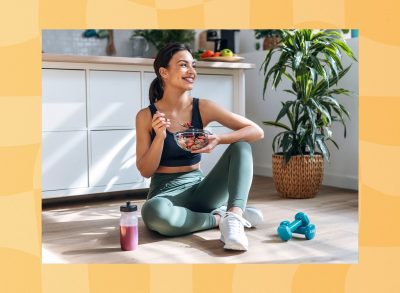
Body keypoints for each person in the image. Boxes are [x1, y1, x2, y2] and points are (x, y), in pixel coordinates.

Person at [136, 43, 264, 251]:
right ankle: (218, 218)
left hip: (202, 190)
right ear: (164, 72)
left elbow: (256, 131)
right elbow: (145, 170)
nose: (192, 72)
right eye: (184, 65)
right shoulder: (145, 116)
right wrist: (159, 137)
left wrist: (219, 139)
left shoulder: (203, 107)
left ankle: (235, 217)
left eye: (193, 65)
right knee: (153, 213)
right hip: (165, 194)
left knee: (241, 146)